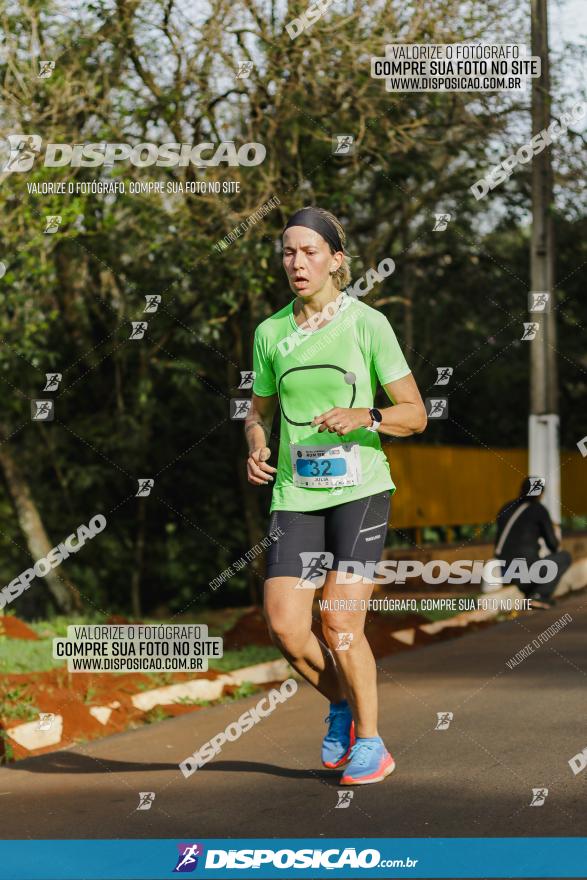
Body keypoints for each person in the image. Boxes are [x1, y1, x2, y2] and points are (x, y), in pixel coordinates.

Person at [244, 206, 427, 785]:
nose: (296, 263)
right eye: (288, 252)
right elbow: (259, 410)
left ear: (336, 261)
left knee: (340, 618)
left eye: (310, 252)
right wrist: (254, 442)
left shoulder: (369, 324)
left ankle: (373, 744)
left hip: (361, 490)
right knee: (286, 626)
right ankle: (343, 705)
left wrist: (364, 414)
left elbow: (416, 415)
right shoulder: (270, 333)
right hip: (296, 494)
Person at [494, 477, 572, 609]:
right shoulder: (539, 510)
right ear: (540, 494)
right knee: (564, 557)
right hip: (526, 574)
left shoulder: (505, 508)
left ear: (521, 490)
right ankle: (540, 596)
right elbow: (553, 545)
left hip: (504, 571)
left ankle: (531, 592)